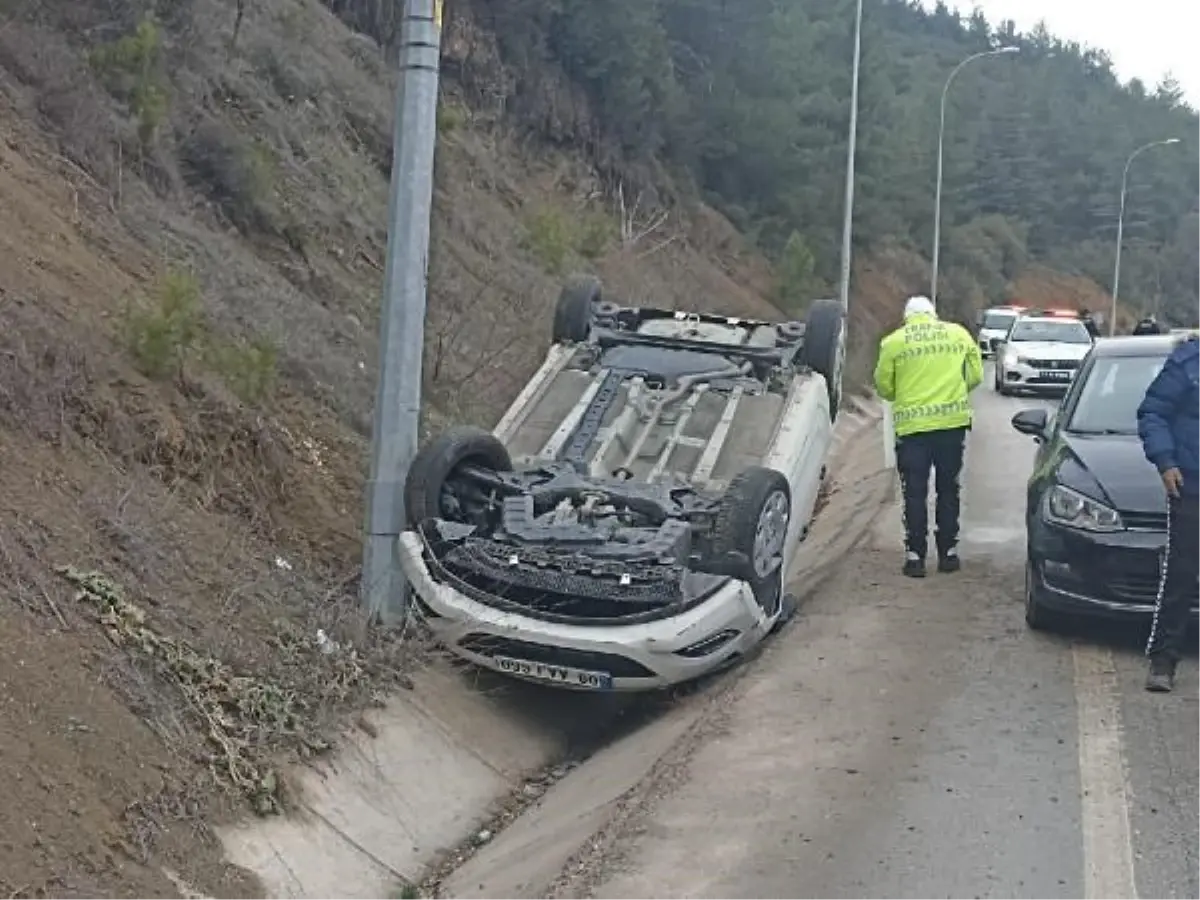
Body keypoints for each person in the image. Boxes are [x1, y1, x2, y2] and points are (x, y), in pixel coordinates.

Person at [874, 295, 984, 578]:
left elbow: (884, 386)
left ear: (907, 317)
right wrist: (955, 391)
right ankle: (948, 553)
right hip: (951, 425)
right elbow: (975, 375)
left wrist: (907, 394)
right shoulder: (958, 334)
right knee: (948, 488)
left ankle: (915, 556)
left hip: (913, 431)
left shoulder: (893, 342)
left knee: (915, 491)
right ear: (933, 314)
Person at [1137, 333, 1200, 692]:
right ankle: (1163, 660)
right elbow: (1153, 412)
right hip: (1191, 486)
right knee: (1180, 575)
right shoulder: (1187, 362)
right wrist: (1165, 461)